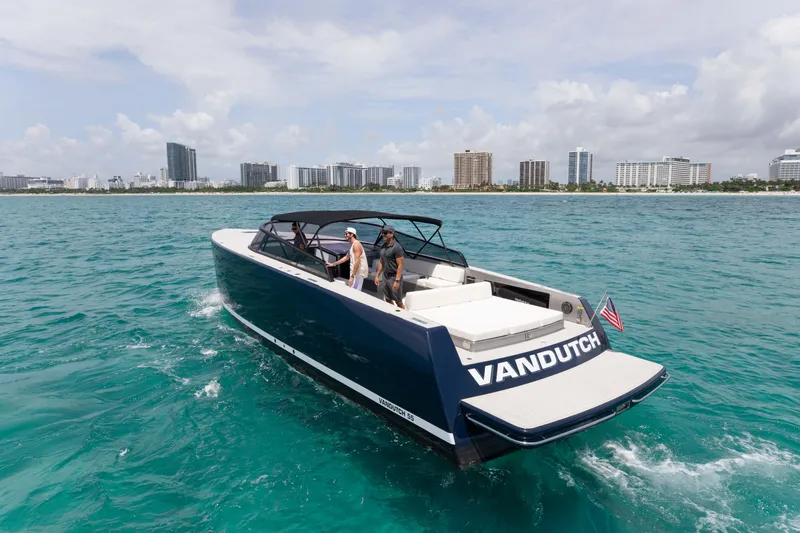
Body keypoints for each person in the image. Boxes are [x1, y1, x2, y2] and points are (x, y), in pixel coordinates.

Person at [374, 225, 405, 308]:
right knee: (387, 298)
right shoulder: (383, 246)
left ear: (392, 234)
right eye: (382, 233)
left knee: (398, 301)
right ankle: (394, 314)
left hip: (394, 277)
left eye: (385, 233)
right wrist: (377, 275)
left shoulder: (397, 247)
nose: (383, 235)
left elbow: (400, 265)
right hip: (385, 276)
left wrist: (397, 280)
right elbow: (381, 262)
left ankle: (404, 316)